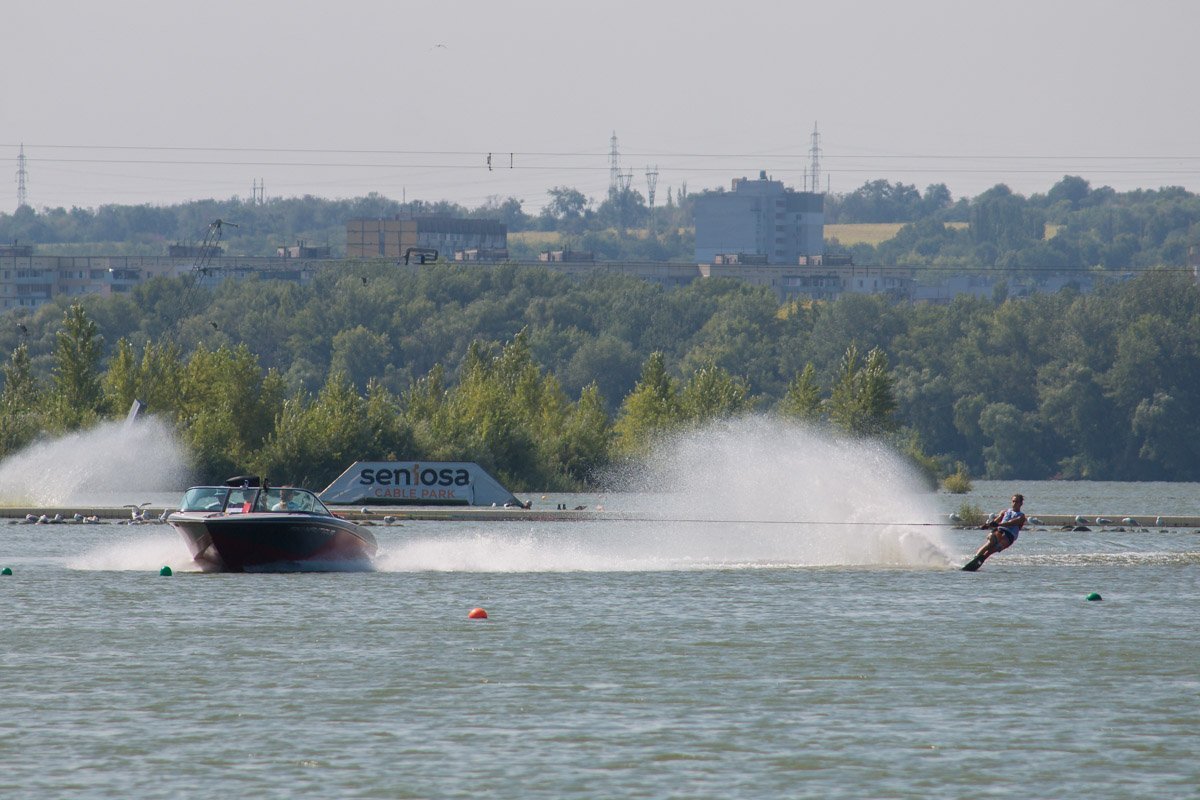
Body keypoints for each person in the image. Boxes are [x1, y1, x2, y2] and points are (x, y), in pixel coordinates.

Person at [963, 493, 1026, 571]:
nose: (1014, 503)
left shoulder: (1021, 516)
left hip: (1009, 536)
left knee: (991, 550)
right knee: (990, 543)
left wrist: (998, 524)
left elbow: (1011, 522)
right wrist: (988, 525)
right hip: (999, 530)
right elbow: (996, 520)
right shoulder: (1005, 512)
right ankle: (975, 559)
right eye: (1013, 501)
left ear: (1021, 503)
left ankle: (979, 562)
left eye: (1016, 502)